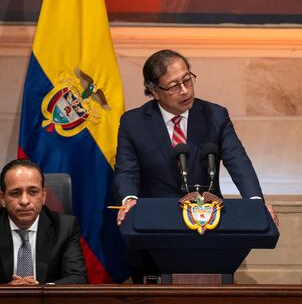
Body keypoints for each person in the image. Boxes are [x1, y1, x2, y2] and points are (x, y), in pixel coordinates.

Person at [114, 49, 277, 226]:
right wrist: (129, 199)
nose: (184, 90)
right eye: (174, 86)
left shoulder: (215, 116)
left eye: (187, 80)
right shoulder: (133, 123)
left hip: (206, 221)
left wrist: (255, 203)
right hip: (155, 220)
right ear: (154, 91)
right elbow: (127, 170)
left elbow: (239, 163)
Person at [0, 159, 87, 285]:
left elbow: (78, 278)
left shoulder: (64, 227)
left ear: (44, 196)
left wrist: (41, 290)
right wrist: (7, 291)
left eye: (33, 192)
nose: (24, 201)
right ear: (3, 199)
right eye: (15, 193)